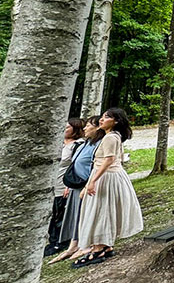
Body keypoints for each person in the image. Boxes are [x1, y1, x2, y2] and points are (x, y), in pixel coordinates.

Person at [73, 108, 143, 268]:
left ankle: (98, 248)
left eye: (106, 117)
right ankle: (105, 245)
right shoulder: (112, 136)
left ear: (116, 121)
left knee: (99, 210)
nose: (102, 120)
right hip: (108, 175)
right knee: (103, 210)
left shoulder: (111, 137)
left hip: (105, 176)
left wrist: (92, 181)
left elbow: (109, 159)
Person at [48, 116, 102, 264]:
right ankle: (72, 243)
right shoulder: (84, 143)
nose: (85, 128)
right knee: (67, 214)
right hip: (71, 183)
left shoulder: (88, 144)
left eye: (89, 126)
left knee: (73, 213)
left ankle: (78, 243)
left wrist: (87, 184)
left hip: (82, 184)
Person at [44, 119, 85, 256]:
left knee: (60, 214)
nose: (64, 129)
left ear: (75, 129)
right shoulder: (58, 143)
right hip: (51, 184)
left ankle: (60, 242)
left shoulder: (77, 145)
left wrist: (69, 186)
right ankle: (53, 240)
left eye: (67, 127)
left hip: (64, 184)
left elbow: (75, 166)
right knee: (51, 214)